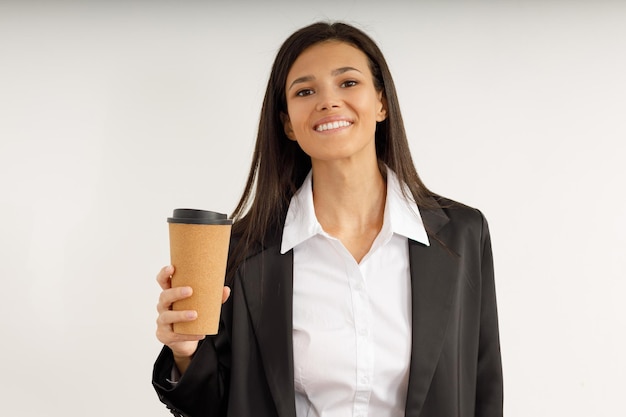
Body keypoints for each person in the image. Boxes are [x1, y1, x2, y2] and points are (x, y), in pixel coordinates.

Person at [153, 21, 503, 417]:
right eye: (305, 91)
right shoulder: (244, 251)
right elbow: (217, 407)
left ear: (381, 103)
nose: (328, 101)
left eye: (348, 83)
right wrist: (185, 353)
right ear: (287, 123)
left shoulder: (460, 234)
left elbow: (483, 386)